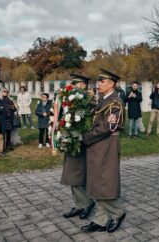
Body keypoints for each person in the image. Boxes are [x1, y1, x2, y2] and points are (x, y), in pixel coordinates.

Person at [81, 68, 126, 233]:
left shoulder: (115, 102)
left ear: (112, 84)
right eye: (98, 81)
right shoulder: (103, 100)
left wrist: (85, 136)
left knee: (104, 181)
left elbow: (108, 127)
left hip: (106, 145)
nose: (98, 84)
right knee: (98, 181)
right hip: (98, 145)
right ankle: (101, 220)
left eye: (102, 81)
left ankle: (117, 213)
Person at [60, 73, 96, 220]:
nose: (73, 86)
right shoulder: (72, 100)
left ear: (83, 85)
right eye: (73, 84)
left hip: (82, 143)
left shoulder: (89, 102)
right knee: (71, 175)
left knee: (77, 175)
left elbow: (89, 123)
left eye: (76, 84)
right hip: (71, 141)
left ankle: (87, 203)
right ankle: (79, 204)